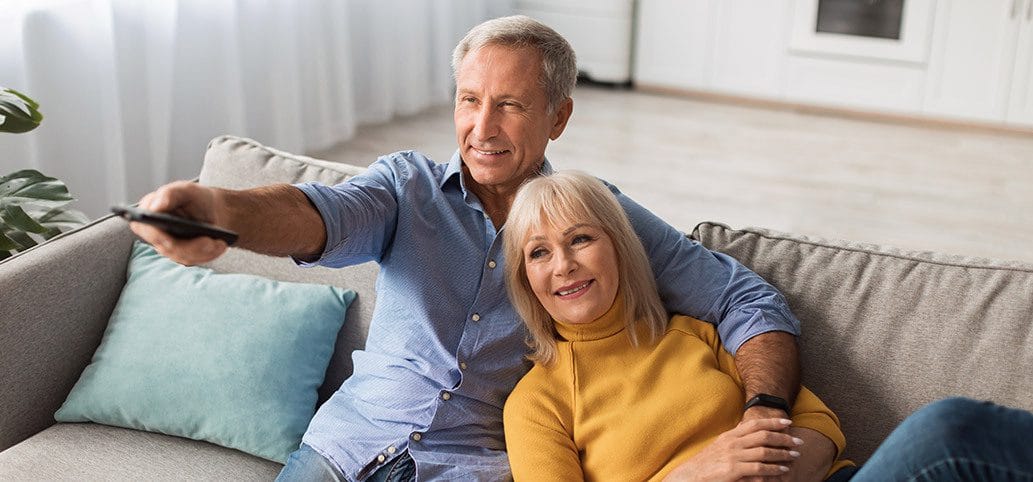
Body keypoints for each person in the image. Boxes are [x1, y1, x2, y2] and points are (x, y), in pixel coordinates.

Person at [131, 16, 803, 481]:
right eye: (469, 100)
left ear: (558, 116)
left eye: (510, 105)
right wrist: (222, 212)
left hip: (472, 467)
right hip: (345, 449)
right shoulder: (406, 187)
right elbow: (318, 216)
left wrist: (763, 411)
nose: (482, 128)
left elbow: (746, 299)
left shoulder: (593, 220)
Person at [501, 170, 1033, 482]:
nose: (563, 265)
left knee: (955, 430)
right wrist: (700, 472)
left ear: (620, 247)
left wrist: (760, 472)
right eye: (539, 253)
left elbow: (821, 424)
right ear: (526, 279)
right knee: (946, 432)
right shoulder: (537, 405)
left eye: (580, 239)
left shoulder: (696, 333)